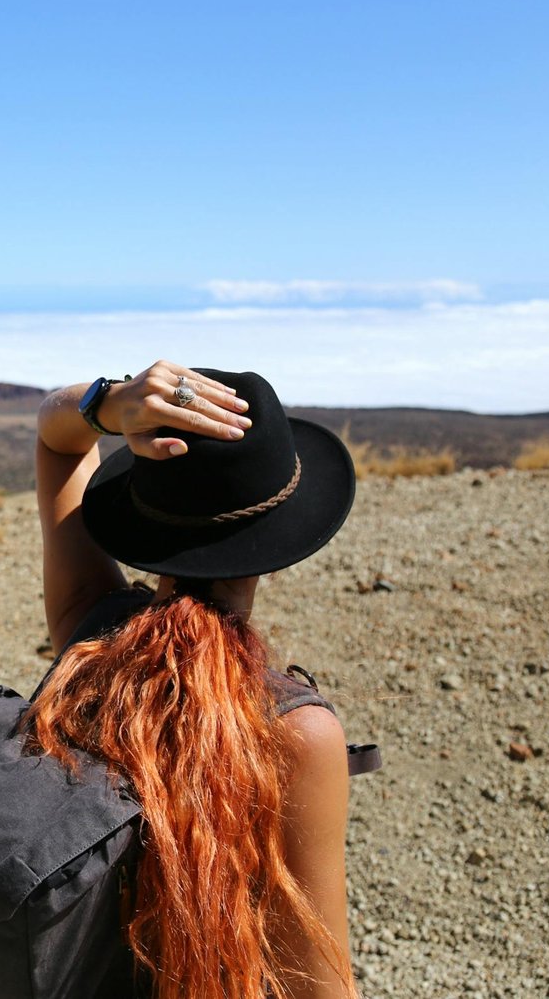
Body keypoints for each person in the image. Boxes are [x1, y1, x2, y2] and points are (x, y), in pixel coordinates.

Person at [27, 361, 358, 999]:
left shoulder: (88, 634)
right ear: (281, 537)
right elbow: (320, 986)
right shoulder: (295, 731)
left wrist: (110, 402)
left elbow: (54, 437)